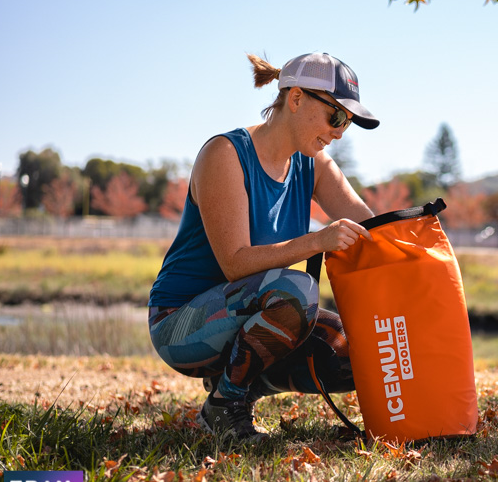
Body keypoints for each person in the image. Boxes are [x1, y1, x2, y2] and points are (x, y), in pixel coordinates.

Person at [147, 52, 379, 444]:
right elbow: (235, 263)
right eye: (336, 116)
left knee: (359, 354)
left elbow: (373, 227)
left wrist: (423, 247)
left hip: (246, 314)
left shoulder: (314, 164)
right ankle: (225, 407)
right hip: (179, 325)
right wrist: (317, 241)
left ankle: (232, 387)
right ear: (297, 98)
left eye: (348, 123)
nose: (340, 132)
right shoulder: (225, 154)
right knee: (298, 290)